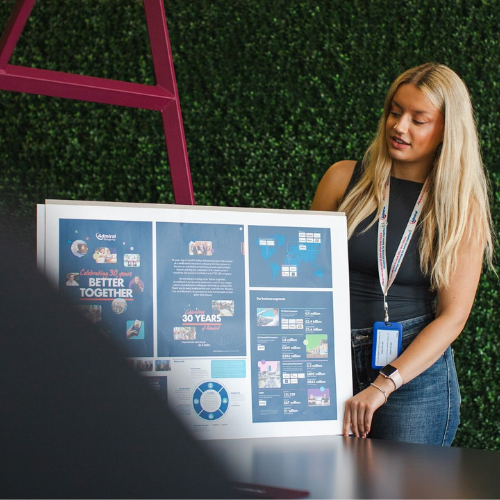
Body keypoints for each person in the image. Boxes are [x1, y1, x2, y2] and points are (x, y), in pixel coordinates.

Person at [311, 63, 494, 445]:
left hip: (413, 378)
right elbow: (304, 279)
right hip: (329, 359)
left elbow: (453, 318)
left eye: (418, 119)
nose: (399, 126)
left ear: (446, 129)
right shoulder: (342, 179)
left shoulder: (460, 209)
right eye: (395, 112)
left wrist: (385, 383)